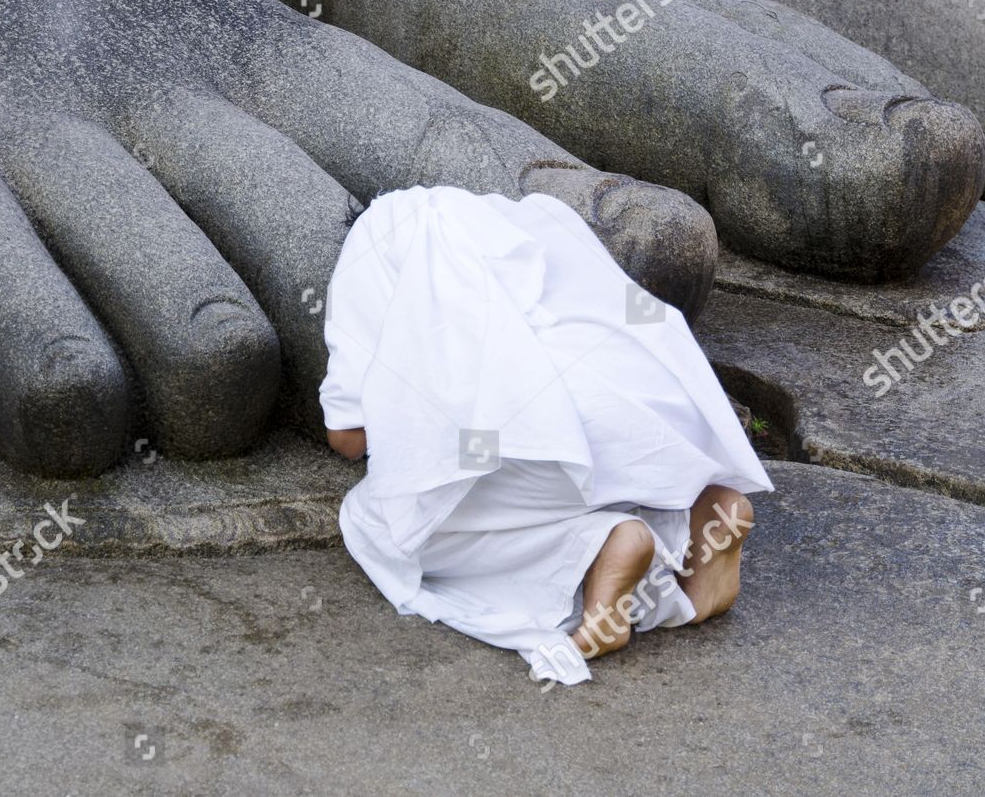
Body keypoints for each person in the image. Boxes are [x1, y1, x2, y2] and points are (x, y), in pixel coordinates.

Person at [320, 186, 773, 685]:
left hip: (517, 438)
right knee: (595, 481)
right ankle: (692, 522)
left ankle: (602, 545)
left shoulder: (371, 249)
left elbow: (348, 436)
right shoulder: (511, 224)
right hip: (625, 416)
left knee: (379, 520)